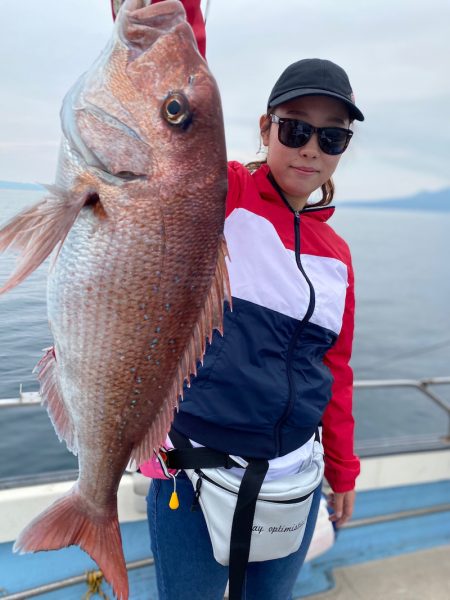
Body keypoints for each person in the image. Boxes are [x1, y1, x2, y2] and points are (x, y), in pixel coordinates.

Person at [110, 1, 363, 598]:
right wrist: (178, 17)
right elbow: (176, 105)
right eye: (296, 128)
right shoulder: (222, 195)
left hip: (292, 484)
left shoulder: (339, 256)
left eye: (331, 137)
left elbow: (335, 370)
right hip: (194, 480)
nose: (310, 148)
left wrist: (343, 469)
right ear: (264, 127)